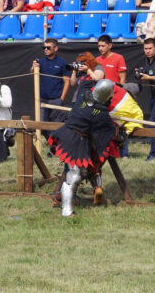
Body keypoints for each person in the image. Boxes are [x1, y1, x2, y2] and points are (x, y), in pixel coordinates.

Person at [49, 79, 121, 217]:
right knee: (74, 176)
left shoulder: (83, 94)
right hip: (75, 140)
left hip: (68, 134)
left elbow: (84, 84)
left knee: (79, 172)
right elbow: (108, 131)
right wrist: (118, 133)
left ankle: (64, 199)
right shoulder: (102, 113)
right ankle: (66, 210)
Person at [33, 38, 71, 123]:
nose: (46, 49)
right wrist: (33, 67)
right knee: (41, 125)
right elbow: (32, 73)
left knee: (55, 126)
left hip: (56, 99)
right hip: (42, 99)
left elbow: (67, 82)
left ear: (55, 48)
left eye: (48, 47)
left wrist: (61, 99)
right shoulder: (40, 61)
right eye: (44, 48)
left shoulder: (62, 62)